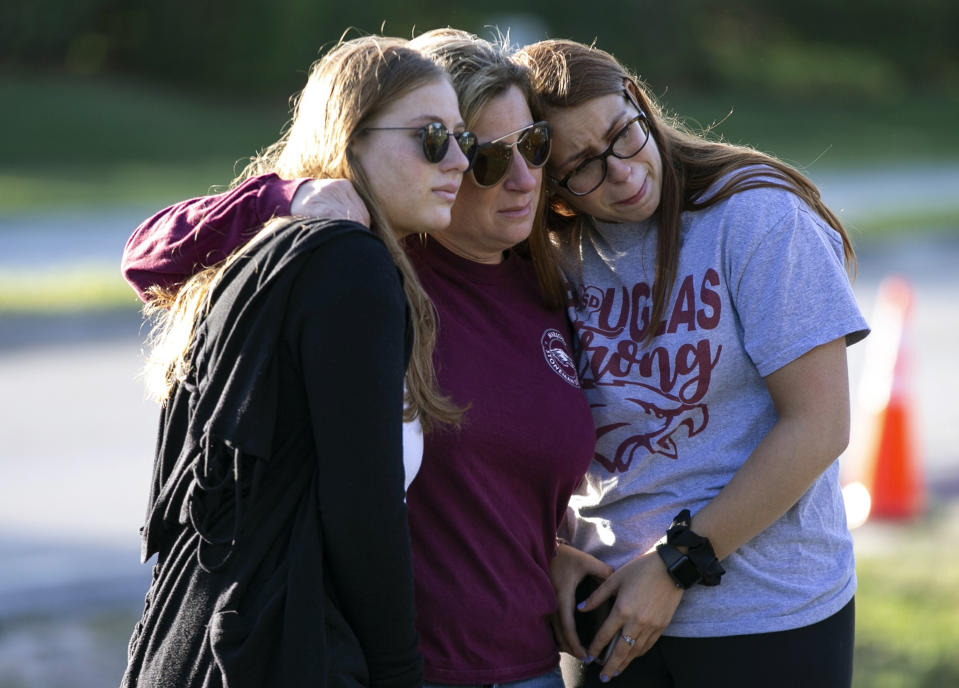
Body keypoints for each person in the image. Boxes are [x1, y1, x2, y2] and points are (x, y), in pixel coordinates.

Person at [120, 30, 597, 688]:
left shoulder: (547, 286)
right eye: (478, 154)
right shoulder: (366, 267)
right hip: (391, 663)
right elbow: (148, 259)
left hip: (529, 663)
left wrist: (557, 552)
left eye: (534, 147)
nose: (520, 178)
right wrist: (285, 196)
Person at [511, 39, 870, 687]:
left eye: (623, 133)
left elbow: (819, 425)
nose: (621, 171)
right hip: (605, 617)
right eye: (583, 165)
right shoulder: (546, 255)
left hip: (766, 618)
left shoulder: (756, 218)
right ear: (551, 191)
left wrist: (675, 564)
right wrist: (552, 550)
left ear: (638, 103)